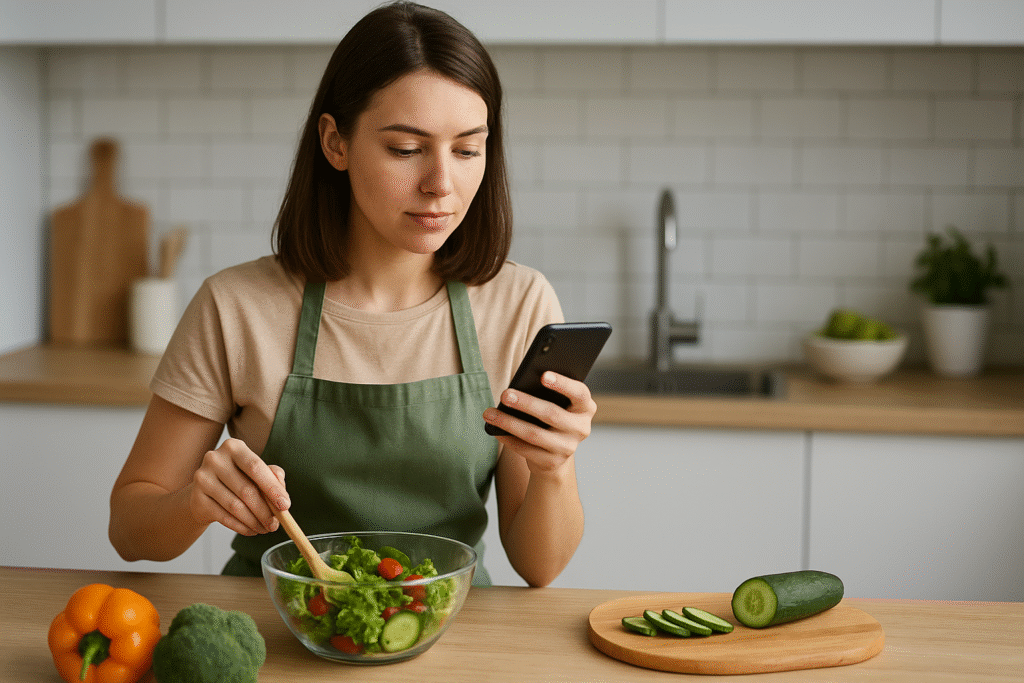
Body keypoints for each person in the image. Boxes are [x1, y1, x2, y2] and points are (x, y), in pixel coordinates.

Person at [108, 1, 594, 588]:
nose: (442, 183)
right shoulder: (236, 307)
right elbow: (130, 529)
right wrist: (195, 503)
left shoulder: (519, 305)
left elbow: (539, 567)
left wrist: (555, 468)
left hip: (451, 637)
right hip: (276, 633)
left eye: (468, 149)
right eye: (406, 149)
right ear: (335, 143)